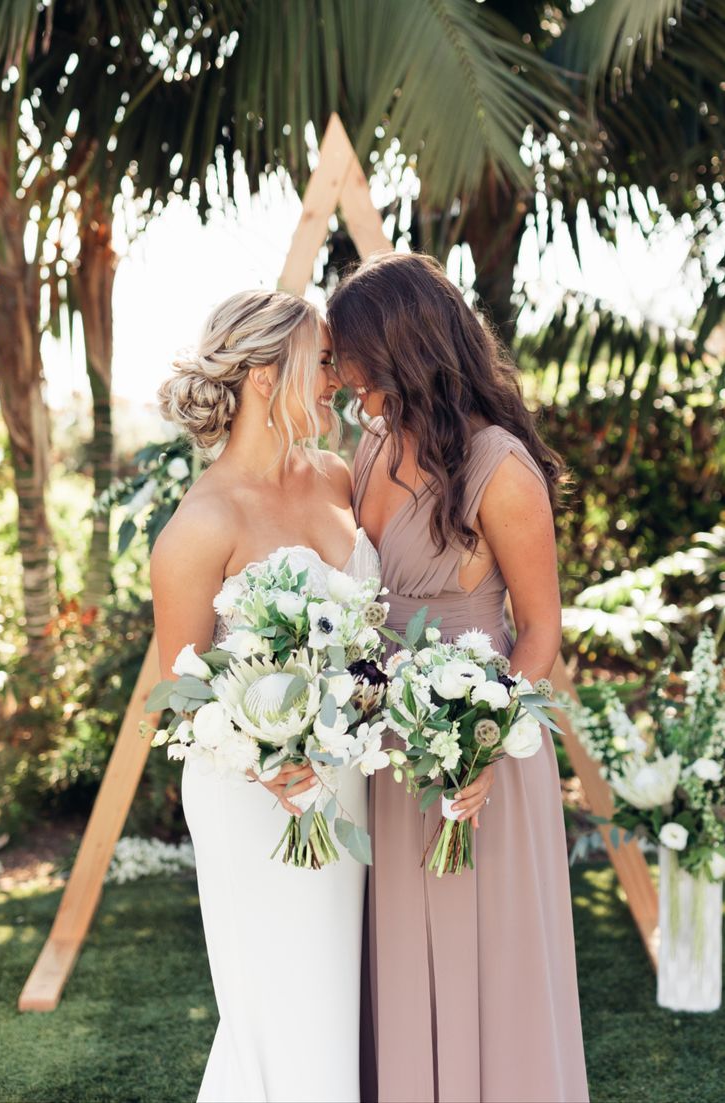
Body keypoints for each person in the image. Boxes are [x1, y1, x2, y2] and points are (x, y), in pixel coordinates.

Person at [328, 252, 588, 1103]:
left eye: (354, 357)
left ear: (402, 346)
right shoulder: (367, 447)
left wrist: (481, 737)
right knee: (394, 949)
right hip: (383, 744)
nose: (344, 377)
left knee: (487, 955)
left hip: (472, 745)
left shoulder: (497, 466)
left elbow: (540, 623)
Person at [151, 289, 380, 1103]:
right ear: (261, 375)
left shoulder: (337, 476)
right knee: (277, 1005)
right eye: (319, 361)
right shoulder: (201, 522)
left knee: (333, 998)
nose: (335, 377)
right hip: (255, 799)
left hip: (347, 779)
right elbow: (173, 687)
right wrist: (265, 761)